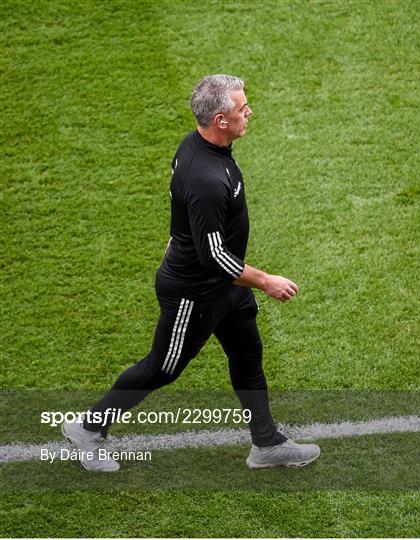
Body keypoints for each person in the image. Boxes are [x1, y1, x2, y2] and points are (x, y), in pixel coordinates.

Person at [62, 74, 321, 472]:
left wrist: (177, 238)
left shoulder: (198, 145)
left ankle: (266, 443)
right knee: (162, 367)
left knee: (248, 354)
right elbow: (214, 257)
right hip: (195, 291)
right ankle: (88, 427)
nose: (249, 112)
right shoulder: (207, 178)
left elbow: (185, 215)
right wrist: (266, 281)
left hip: (224, 288)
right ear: (220, 120)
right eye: (241, 108)